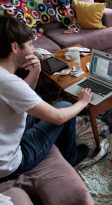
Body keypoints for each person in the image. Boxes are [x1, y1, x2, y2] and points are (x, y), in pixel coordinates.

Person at [0, 15, 93, 182]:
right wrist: (82, 102)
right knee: (65, 108)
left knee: (55, 103)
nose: (33, 49)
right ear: (15, 47)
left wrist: (35, 70)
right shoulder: (8, 82)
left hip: (5, 135)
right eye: (30, 45)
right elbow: (59, 118)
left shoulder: (5, 79)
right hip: (10, 164)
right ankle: (71, 160)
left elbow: (21, 96)